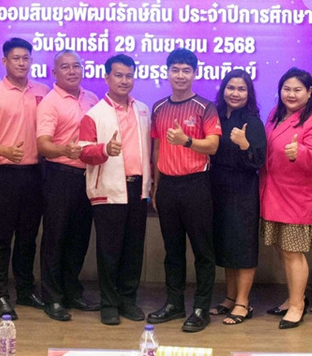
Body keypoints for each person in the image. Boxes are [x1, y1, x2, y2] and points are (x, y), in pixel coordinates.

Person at [147, 48, 221, 333]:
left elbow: (212, 146)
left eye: (186, 70)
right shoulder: (158, 107)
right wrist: (156, 185)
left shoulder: (205, 107)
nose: (180, 75)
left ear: (194, 74)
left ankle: (201, 308)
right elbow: (156, 148)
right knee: (173, 250)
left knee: (203, 251)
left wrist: (186, 141)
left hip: (196, 185)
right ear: (167, 73)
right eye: (175, 70)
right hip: (168, 186)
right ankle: (174, 304)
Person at [0, 38, 49, 319]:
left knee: (28, 236)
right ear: (4, 61)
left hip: (36, 173)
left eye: (26, 58)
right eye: (16, 58)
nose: (21, 63)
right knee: (2, 236)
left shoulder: (42, 91)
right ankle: (0, 295)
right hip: (5, 174)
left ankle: (26, 290)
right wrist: (4, 150)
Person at [78, 54, 152, 326]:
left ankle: (127, 301)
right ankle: (109, 304)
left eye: (129, 75)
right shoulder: (94, 114)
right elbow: (83, 152)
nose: (124, 80)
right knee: (109, 251)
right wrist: (105, 149)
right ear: (107, 77)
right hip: (108, 190)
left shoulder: (143, 110)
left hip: (138, 189)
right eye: (118, 75)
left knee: (134, 249)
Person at [260, 68, 312, 330]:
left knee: (293, 253)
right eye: (286, 89)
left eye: (297, 89)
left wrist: (299, 152)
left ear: (309, 92)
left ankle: (298, 306)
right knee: (283, 249)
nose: (291, 94)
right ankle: (293, 298)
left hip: (298, 197)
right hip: (274, 192)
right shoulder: (275, 114)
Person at [36, 51, 100, 322]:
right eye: (65, 67)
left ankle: (72, 291)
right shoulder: (49, 103)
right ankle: (52, 297)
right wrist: (65, 150)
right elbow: (43, 145)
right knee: (56, 237)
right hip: (59, 175)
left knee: (79, 237)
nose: (72, 71)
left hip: (88, 176)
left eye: (76, 66)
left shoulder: (92, 98)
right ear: (55, 73)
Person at [208, 69, 266, 325]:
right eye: (231, 88)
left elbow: (259, 160)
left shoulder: (252, 122)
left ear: (248, 93)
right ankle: (230, 298)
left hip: (243, 191)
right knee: (226, 245)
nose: (235, 93)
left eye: (241, 89)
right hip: (217, 188)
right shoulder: (216, 116)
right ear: (223, 90)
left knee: (243, 247)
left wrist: (245, 145)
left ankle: (243, 303)